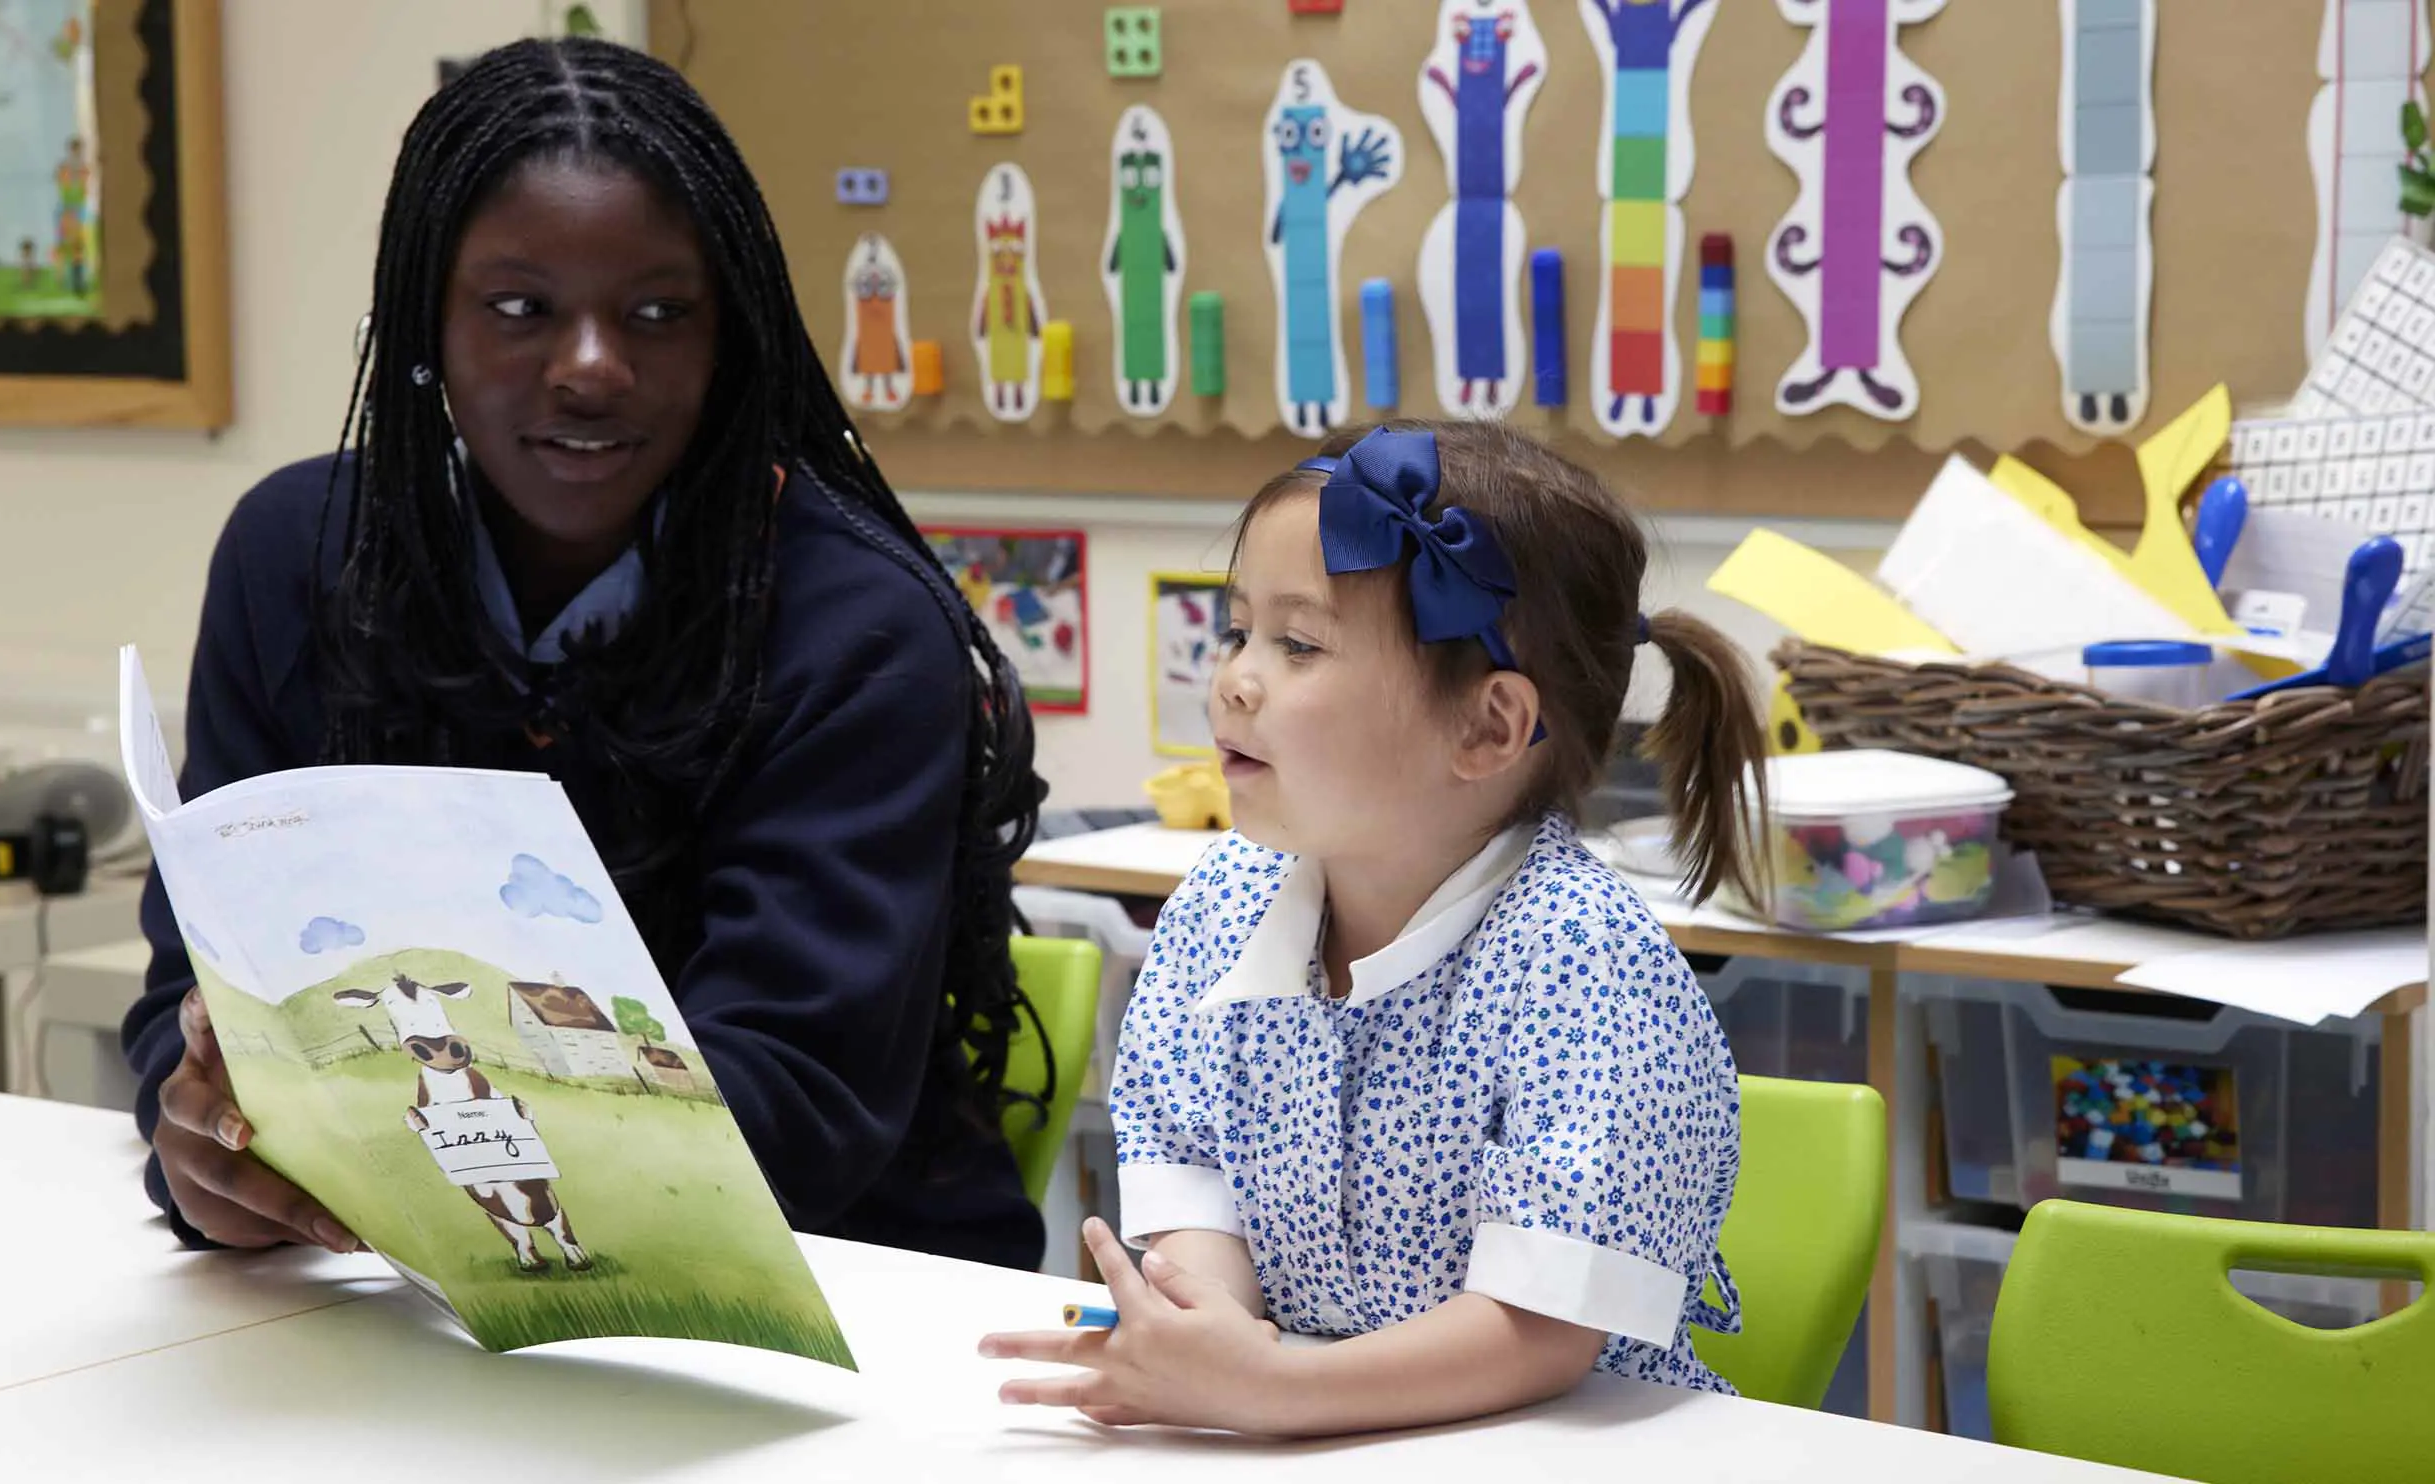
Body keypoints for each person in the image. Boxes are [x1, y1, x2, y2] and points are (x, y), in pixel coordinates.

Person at [120, 37, 1048, 1272]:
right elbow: (195, 994)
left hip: (844, 1282)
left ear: (731, 341)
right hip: (401, 1284)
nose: (593, 366)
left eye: (659, 313)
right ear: (423, 323)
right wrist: (207, 1138)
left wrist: (404, 1137)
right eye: (520, 309)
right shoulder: (297, 560)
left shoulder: (857, 625)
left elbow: (795, 1100)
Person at [979, 421, 1765, 1434]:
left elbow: (1541, 1329)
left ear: (1487, 727)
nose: (1233, 678)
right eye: (1237, 630)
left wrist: (1274, 1390)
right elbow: (1196, 1181)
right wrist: (1209, 1332)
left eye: (1297, 644)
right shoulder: (1222, 905)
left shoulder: (1585, 960)